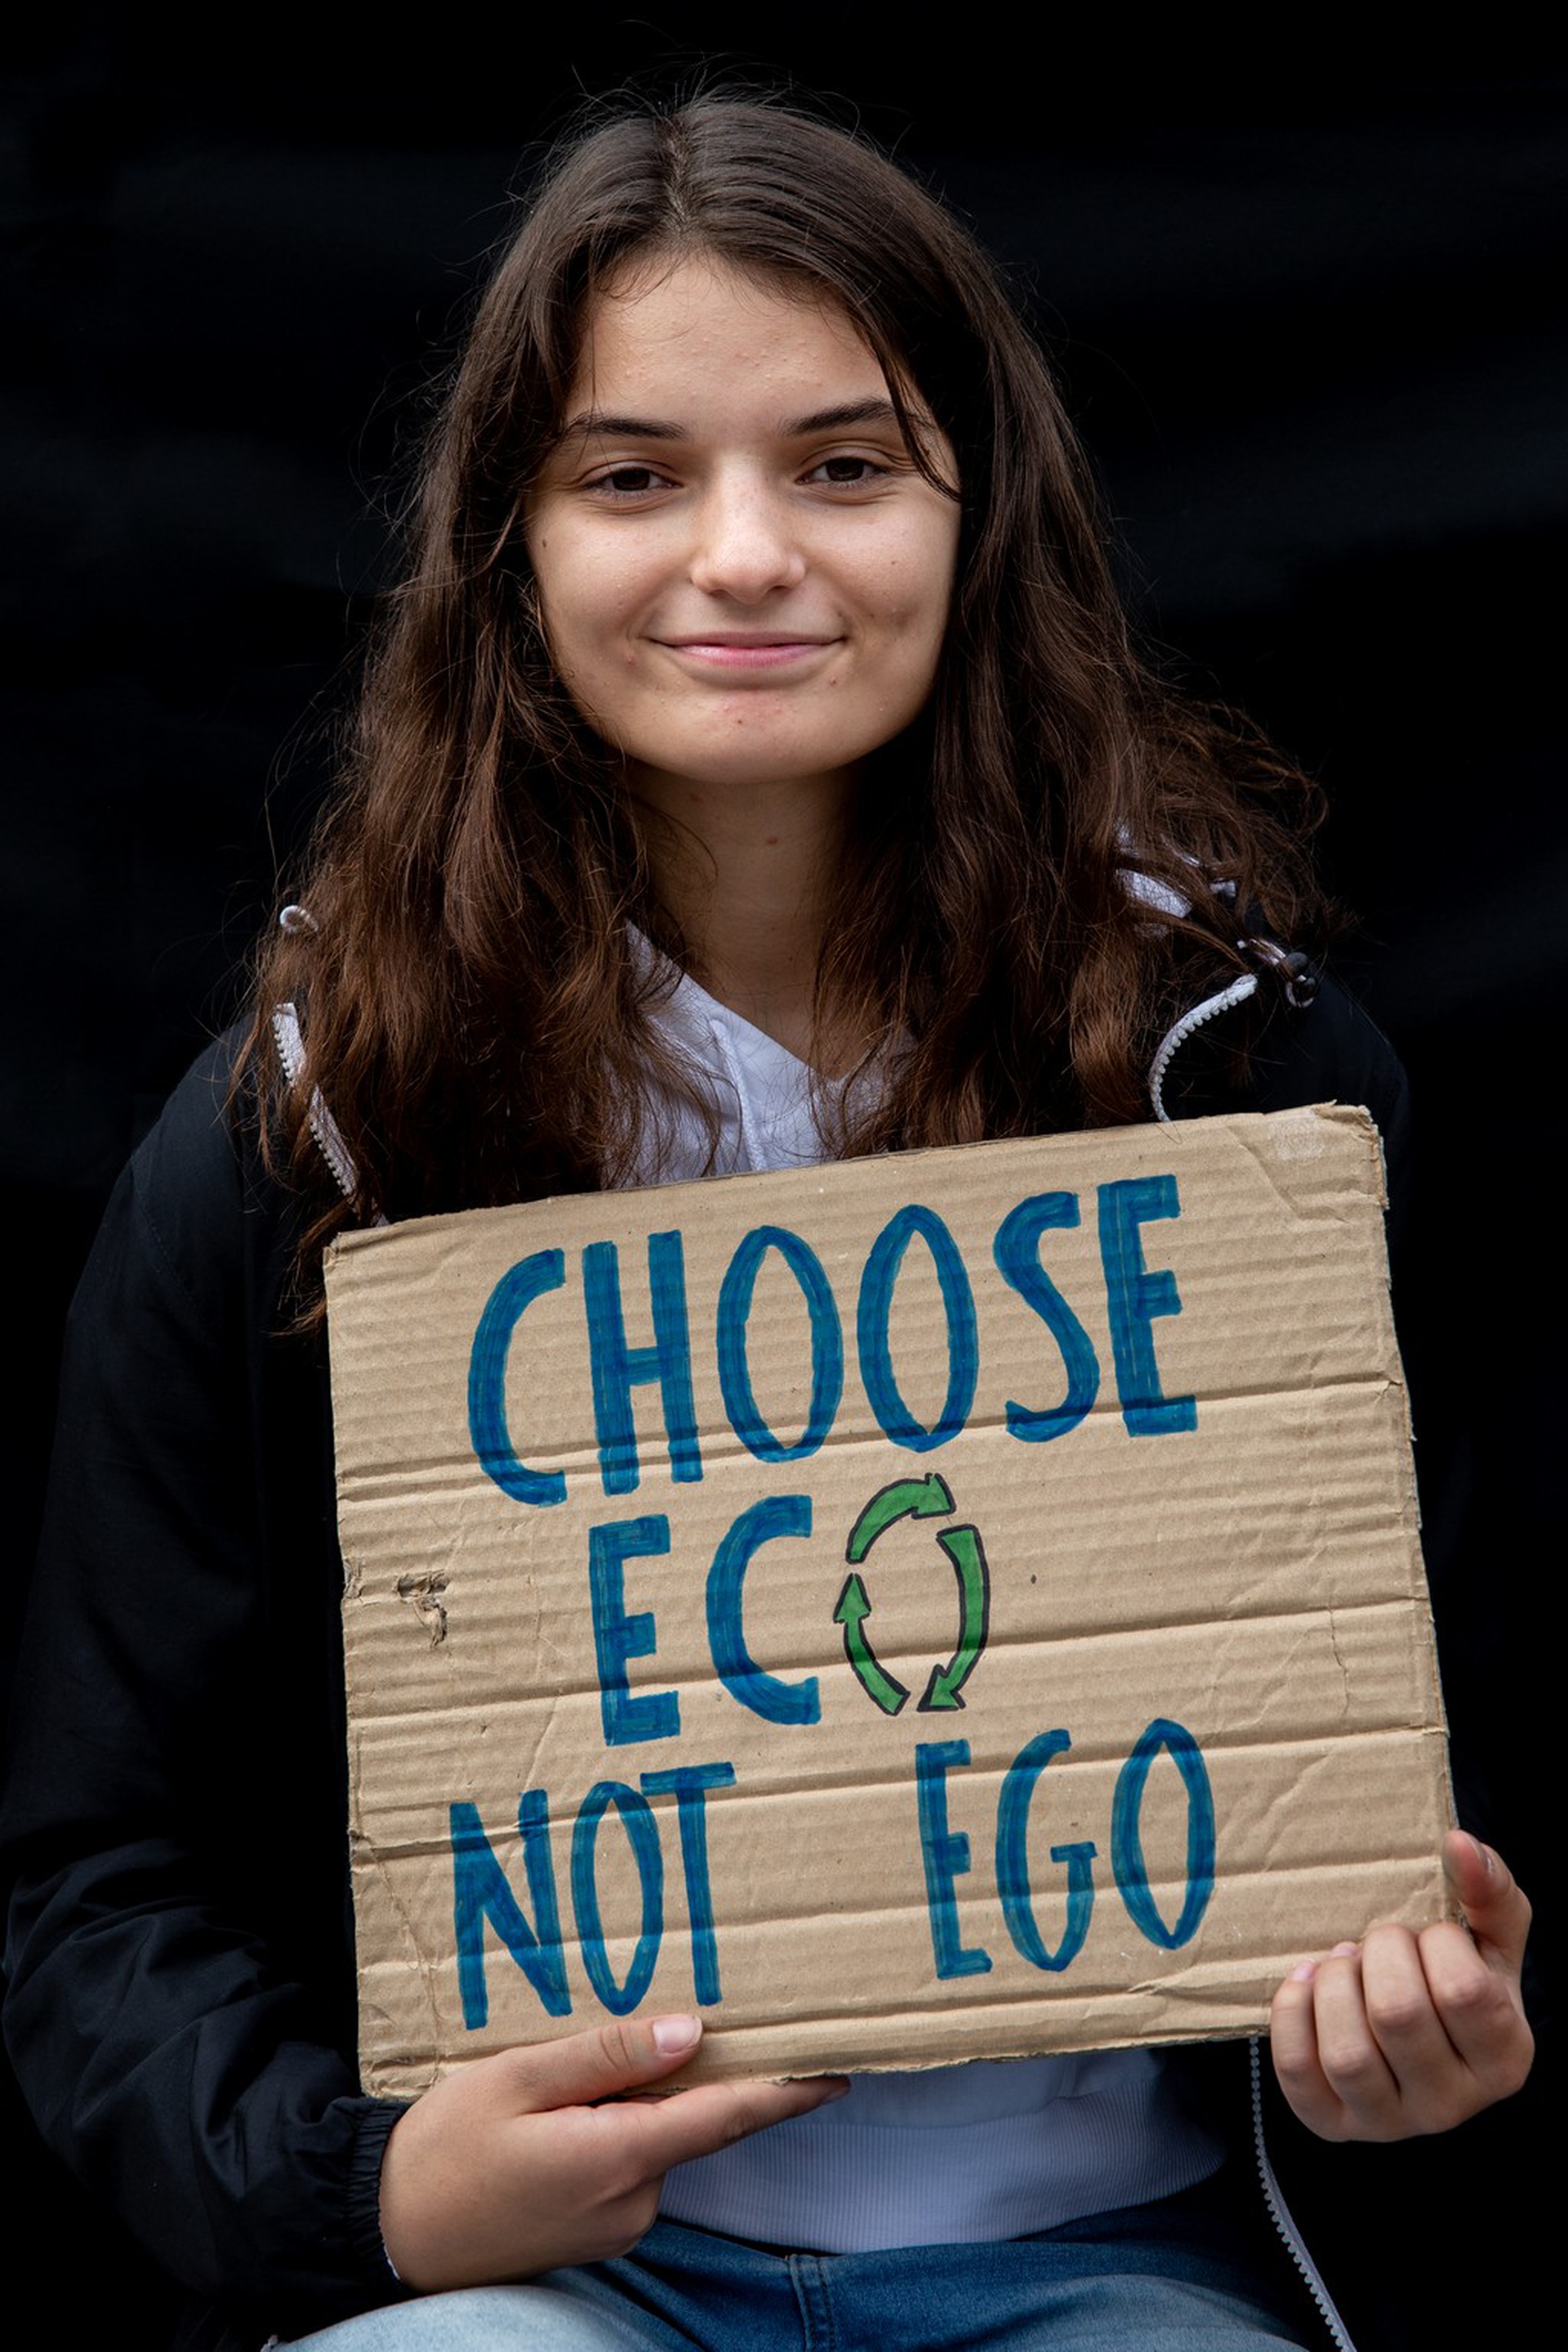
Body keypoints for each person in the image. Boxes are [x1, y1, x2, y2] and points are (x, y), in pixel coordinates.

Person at [2, 91, 1532, 2352]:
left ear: (972, 512)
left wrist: (1435, 2021)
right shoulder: (310, 1134)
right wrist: (369, 2192)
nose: (742, 555)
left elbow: (1438, 1744)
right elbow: (95, 1882)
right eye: (632, 476)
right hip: (571, 2287)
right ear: (511, 541)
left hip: (1120, 2275)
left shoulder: (1249, 1080)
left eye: (843, 464)